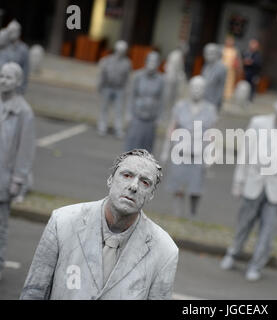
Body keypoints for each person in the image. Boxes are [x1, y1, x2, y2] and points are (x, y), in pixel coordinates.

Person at [20, 149, 179, 300]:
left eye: (145, 182)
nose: (133, 186)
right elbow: (34, 291)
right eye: (127, 175)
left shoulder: (165, 251)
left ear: (151, 195)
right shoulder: (62, 221)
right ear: (110, 179)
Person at [221, 93, 277, 281]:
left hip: (276, 188)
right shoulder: (258, 123)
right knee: (244, 223)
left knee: (268, 231)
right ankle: (233, 253)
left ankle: (256, 265)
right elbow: (245, 154)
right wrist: (238, 181)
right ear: (275, 105)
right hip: (253, 181)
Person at [161, 76, 217, 217]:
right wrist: (166, 149)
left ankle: (193, 214)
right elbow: (171, 128)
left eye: (200, 88)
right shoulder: (180, 106)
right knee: (178, 185)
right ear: (189, 89)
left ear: (204, 90)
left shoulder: (210, 109)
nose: (196, 91)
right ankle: (177, 214)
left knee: (195, 188)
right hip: (180, 152)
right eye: (194, 87)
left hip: (198, 154)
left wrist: (211, 155)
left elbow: (212, 134)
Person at [0, 62, 35, 281]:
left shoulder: (24, 112)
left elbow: (25, 150)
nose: (3, 81)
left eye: (9, 78)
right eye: (1, 76)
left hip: (3, 179)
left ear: (18, 82)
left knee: (0, 226)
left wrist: (18, 179)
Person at [124, 52, 164, 153]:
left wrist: (159, 117)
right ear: (146, 62)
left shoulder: (161, 80)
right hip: (137, 115)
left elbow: (162, 100)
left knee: (147, 147)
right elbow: (132, 96)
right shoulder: (138, 76)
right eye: (150, 61)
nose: (152, 64)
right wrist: (128, 113)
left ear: (158, 64)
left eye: (155, 62)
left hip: (151, 118)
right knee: (132, 143)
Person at [97, 40, 131, 139]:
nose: (120, 52)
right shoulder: (107, 60)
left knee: (119, 110)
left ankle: (118, 128)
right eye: (119, 50)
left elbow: (127, 78)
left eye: (123, 50)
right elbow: (102, 74)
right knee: (104, 108)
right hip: (107, 87)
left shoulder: (127, 63)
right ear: (116, 50)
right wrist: (100, 86)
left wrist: (126, 90)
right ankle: (102, 127)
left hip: (119, 89)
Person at [162, 43, 187, 119]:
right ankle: (167, 112)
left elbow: (166, 65)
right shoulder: (178, 55)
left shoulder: (172, 53)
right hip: (172, 78)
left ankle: (166, 112)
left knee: (168, 95)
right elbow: (179, 68)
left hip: (168, 76)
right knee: (170, 96)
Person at [5, 20, 29, 94]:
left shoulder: (23, 49)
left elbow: (25, 70)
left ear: (18, 32)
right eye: (9, 31)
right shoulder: (3, 46)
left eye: (13, 31)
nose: (11, 33)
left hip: (14, 86)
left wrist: (22, 89)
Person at [201, 43, 227, 111]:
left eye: (211, 53)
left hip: (212, 102)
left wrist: (215, 104)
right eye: (206, 53)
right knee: (197, 121)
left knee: (207, 120)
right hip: (202, 100)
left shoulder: (221, 68)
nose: (208, 55)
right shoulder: (206, 66)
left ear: (217, 53)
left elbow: (221, 88)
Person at [222, 35, 241, 100]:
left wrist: (236, 65)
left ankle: (227, 95)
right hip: (223, 68)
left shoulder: (234, 51)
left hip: (231, 70)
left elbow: (237, 60)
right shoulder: (223, 49)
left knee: (229, 82)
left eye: (231, 41)